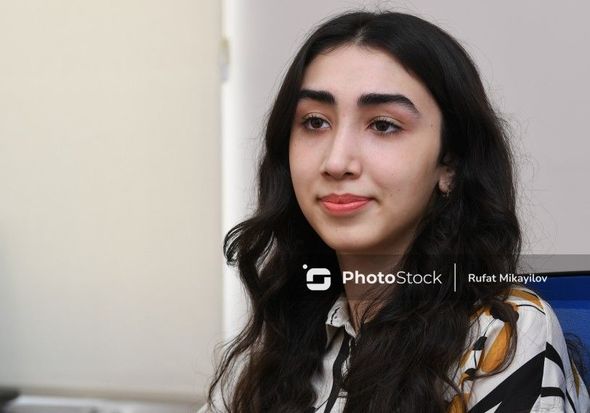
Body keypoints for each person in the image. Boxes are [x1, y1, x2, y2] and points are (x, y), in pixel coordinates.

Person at [199, 11, 590, 413]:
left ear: (450, 164)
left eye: (383, 125)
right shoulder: (276, 343)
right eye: (315, 122)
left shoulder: (503, 335)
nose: (336, 162)